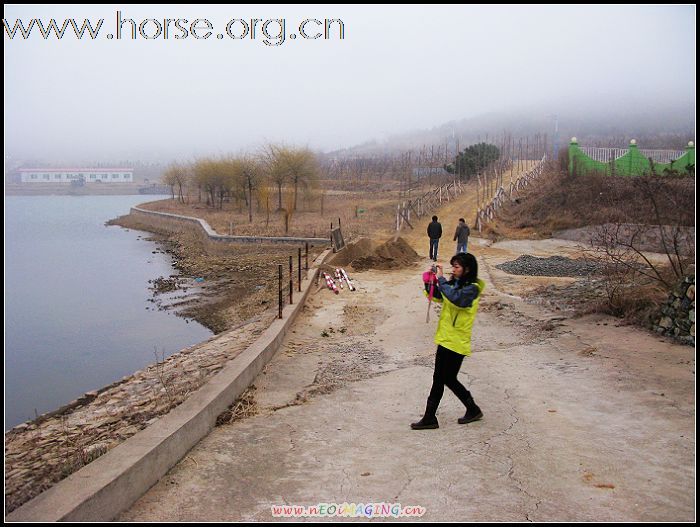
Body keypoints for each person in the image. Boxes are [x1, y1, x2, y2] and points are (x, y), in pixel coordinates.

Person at [411, 252, 486, 430]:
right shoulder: (456, 283)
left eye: (457, 267)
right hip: (446, 339)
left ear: (467, 269)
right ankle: (471, 409)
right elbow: (439, 296)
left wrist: (442, 279)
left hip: (457, 341)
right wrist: (429, 281)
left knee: (442, 378)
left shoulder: (472, 288)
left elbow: (455, 299)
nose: (453, 269)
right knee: (447, 378)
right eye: (452, 266)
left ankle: (431, 417)